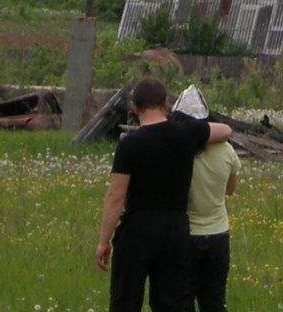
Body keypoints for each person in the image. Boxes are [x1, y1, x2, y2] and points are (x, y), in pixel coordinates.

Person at [97, 76, 234, 312]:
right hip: (176, 229)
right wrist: (198, 131)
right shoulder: (185, 134)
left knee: (125, 300)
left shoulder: (130, 144)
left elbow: (116, 196)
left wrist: (103, 241)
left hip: (138, 228)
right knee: (174, 303)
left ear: (134, 107)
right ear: (166, 104)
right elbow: (225, 130)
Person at [177, 87, 240, 312]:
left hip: (185, 235)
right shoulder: (227, 151)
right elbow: (230, 189)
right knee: (214, 301)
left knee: (183, 300)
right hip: (218, 235)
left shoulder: (177, 150)